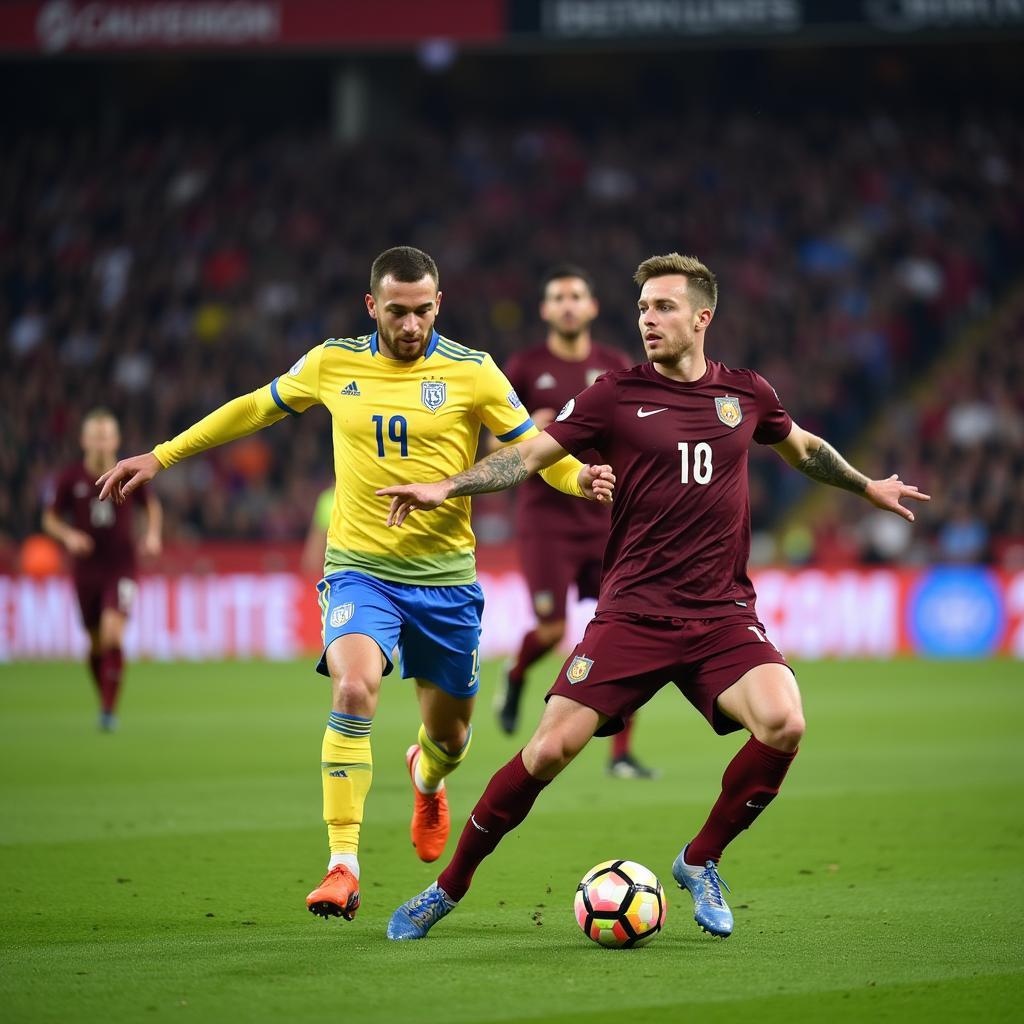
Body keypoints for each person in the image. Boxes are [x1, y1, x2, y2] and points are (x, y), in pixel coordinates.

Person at [378, 252, 930, 942]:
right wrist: (447, 486)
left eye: (663, 307)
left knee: (785, 722)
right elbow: (528, 454)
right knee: (546, 754)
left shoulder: (747, 394)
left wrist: (867, 485)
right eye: (642, 309)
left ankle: (701, 860)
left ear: (703, 317)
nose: (648, 319)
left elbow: (805, 448)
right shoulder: (613, 393)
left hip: (723, 616)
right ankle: (446, 887)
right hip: (633, 614)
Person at [95, 246, 614, 924]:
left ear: (438, 304)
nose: (410, 324)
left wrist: (579, 478)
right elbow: (254, 408)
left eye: (422, 310)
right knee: (352, 686)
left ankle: (425, 775)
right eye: (396, 311)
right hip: (360, 569)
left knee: (452, 740)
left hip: (447, 582)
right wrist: (161, 455)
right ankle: (344, 865)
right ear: (372, 305)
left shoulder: (472, 371)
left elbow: (530, 450)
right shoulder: (332, 362)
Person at [500, 265, 653, 779]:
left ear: (591, 308)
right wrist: (529, 436)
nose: (568, 305)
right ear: (545, 310)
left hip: (607, 519)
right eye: (558, 297)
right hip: (545, 521)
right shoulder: (522, 368)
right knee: (551, 629)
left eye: (577, 296)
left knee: (632, 629)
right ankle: (519, 674)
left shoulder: (614, 367)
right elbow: (493, 446)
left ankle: (621, 754)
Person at [42, 408, 162, 731]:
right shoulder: (70, 479)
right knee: (95, 643)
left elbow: (150, 505)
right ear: (84, 440)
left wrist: (152, 535)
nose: (100, 443)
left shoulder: (126, 471)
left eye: (106, 436)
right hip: (86, 569)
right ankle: (106, 696)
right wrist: (69, 535)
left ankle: (108, 710)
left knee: (112, 634)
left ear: (116, 440)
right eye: (95, 436)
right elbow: (49, 518)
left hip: (121, 565)